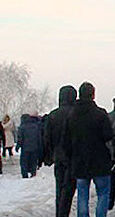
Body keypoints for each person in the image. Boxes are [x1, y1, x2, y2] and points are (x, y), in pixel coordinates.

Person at [64, 82, 114, 217]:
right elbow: (108, 135)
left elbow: (66, 140)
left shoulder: (71, 115)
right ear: (93, 95)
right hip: (100, 160)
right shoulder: (101, 114)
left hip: (79, 161)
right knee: (103, 193)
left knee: (82, 194)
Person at [44, 85, 78, 217]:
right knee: (69, 188)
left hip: (58, 155)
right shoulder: (76, 113)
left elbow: (47, 138)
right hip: (73, 156)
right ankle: (63, 213)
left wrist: (48, 155)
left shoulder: (53, 115)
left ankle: (60, 212)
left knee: (59, 187)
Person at [17, 111, 43, 178]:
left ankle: (24, 175)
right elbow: (39, 138)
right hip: (35, 147)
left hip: (25, 148)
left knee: (24, 162)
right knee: (33, 161)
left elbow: (20, 138)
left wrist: (18, 146)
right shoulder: (35, 126)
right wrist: (40, 146)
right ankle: (33, 173)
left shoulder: (22, 127)